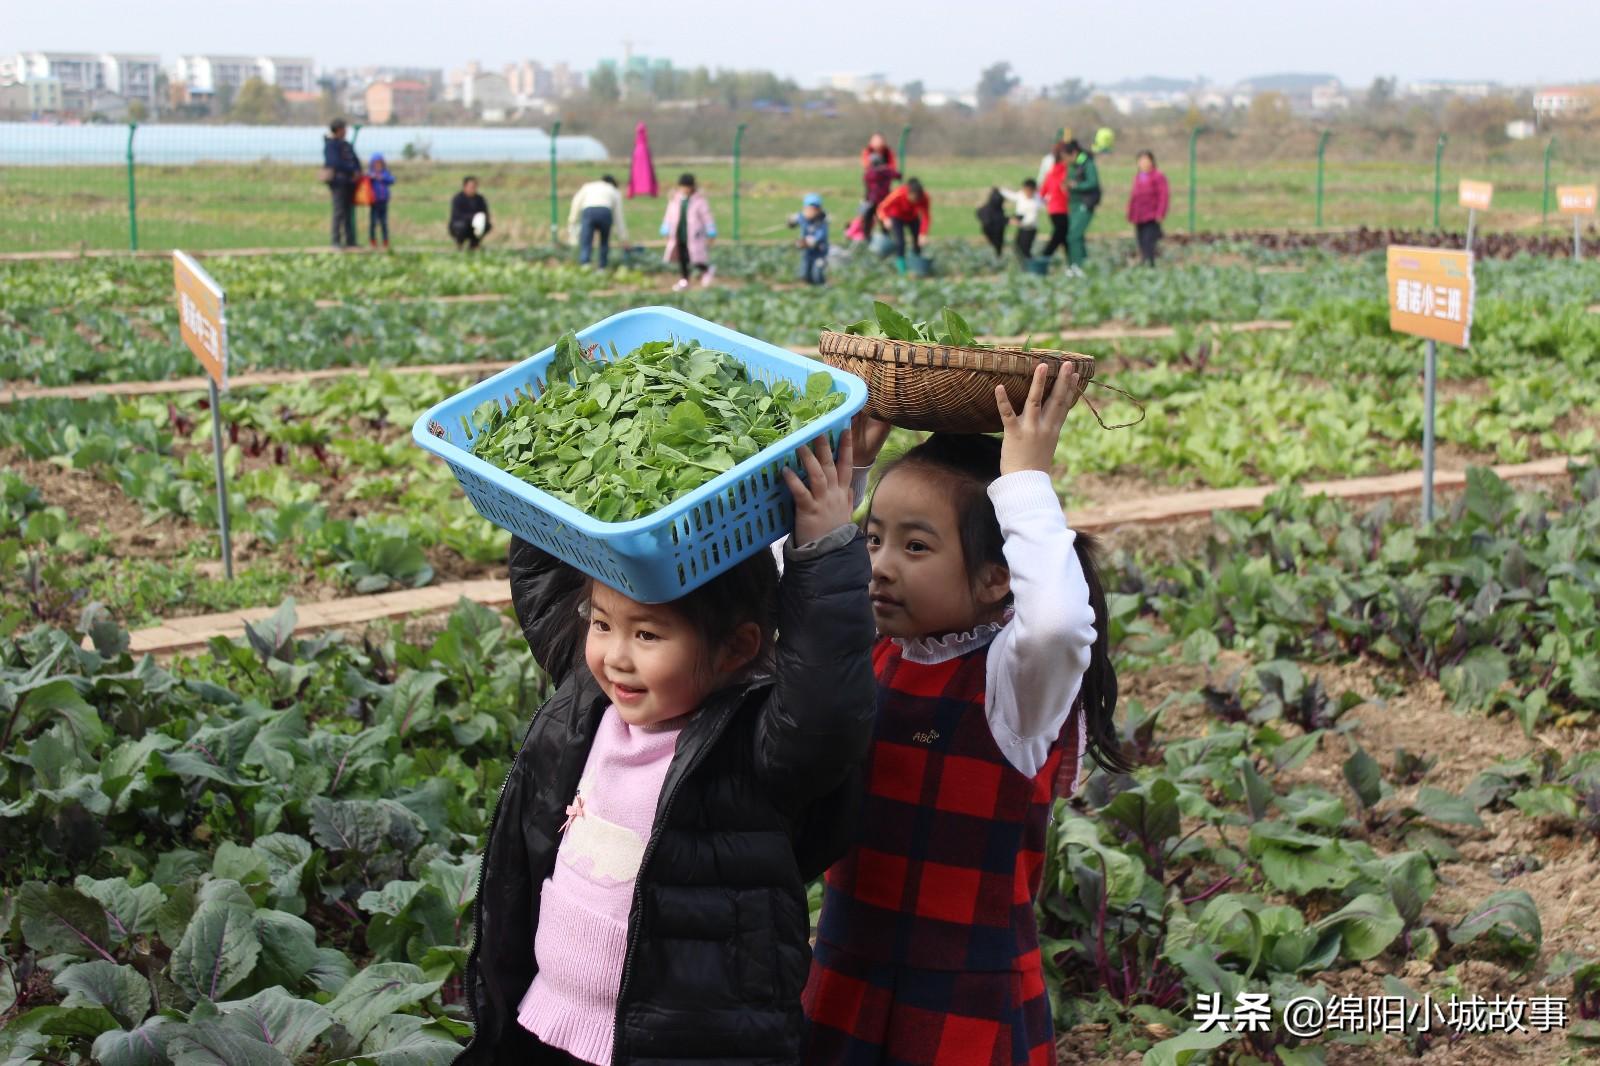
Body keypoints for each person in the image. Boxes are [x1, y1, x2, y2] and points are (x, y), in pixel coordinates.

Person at [457, 434, 877, 1066]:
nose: (615, 655)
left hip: (685, 1048)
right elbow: (547, 573)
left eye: (648, 634)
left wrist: (820, 552)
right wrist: (579, 459)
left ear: (736, 649)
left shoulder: (753, 747)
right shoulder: (588, 702)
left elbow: (828, 702)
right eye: (602, 624)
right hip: (548, 1023)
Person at [802, 367, 1135, 1065]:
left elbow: (1056, 625)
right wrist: (850, 468)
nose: (881, 567)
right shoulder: (868, 649)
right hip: (845, 963)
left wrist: (1025, 483)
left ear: (995, 579)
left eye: (916, 546)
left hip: (962, 993)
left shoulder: (1012, 689)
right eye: (873, 539)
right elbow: (793, 588)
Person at [660, 172, 717, 290]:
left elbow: (707, 217)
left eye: (687, 187)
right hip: (678, 233)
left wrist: (711, 231)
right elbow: (669, 215)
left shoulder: (699, 201)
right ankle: (684, 280)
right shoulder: (675, 199)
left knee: (695, 258)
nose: (685, 189)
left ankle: (706, 270)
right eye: (683, 186)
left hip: (693, 235)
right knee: (682, 258)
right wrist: (665, 228)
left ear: (692, 187)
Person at [567, 174, 629, 268]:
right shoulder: (614, 190)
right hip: (605, 212)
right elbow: (618, 216)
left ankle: (585, 264)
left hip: (589, 211)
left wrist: (572, 219)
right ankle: (602, 267)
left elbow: (576, 202)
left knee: (586, 240)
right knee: (604, 241)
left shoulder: (588, 186)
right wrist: (623, 237)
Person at [876, 177, 930, 275]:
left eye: (917, 200)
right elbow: (881, 207)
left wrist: (923, 233)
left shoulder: (924, 197)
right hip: (897, 216)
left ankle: (916, 265)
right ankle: (901, 269)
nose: (915, 201)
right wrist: (885, 219)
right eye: (913, 198)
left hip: (912, 217)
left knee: (917, 241)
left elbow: (926, 216)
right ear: (909, 193)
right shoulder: (899, 193)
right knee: (901, 242)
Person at [321, 118, 361, 249]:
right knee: (339, 211)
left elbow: (355, 160)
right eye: (344, 129)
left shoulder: (346, 145)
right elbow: (334, 162)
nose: (346, 131)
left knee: (349, 211)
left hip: (350, 182)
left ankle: (350, 240)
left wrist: (357, 171)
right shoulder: (331, 145)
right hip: (338, 182)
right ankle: (336, 241)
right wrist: (350, 169)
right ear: (338, 130)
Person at [1065, 138, 1102, 274]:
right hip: (1073, 205)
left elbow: (1093, 182)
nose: (1066, 160)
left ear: (1074, 153)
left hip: (1085, 204)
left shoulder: (1086, 163)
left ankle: (1078, 266)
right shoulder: (1074, 164)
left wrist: (1077, 186)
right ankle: (1081, 265)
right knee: (1075, 236)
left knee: (1074, 235)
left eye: (1067, 157)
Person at [1127, 150, 1170, 267]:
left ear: (1152, 162)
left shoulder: (1158, 176)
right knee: (1140, 241)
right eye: (1140, 161)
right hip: (1139, 215)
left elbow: (1163, 195)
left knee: (1149, 242)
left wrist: (1160, 213)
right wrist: (1131, 213)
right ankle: (1144, 263)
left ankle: (1150, 265)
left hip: (1151, 215)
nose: (1143, 163)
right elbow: (1134, 196)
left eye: (1146, 160)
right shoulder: (1138, 177)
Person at [859, 143, 901, 242]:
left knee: (869, 219)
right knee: (879, 219)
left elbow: (867, 183)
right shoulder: (886, 171)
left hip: (875, 200)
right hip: (882, 200)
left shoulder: (870, 173)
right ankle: (881, 237)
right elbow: (898, 176)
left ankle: (869, 238)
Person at [1038, 142, 1071, 265]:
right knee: (1059, 236)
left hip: (1052, 210)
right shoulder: (1066, 172)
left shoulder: (1050, 174)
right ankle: (1045, 257)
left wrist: (1047, 201)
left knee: (1063, 236)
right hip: (1063, 209)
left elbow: (1042, 192)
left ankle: (1071, 262)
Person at [788, 192, 830, 285]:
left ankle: (821, 286)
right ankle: (808, 285)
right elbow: (793, 222)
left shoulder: (822, 221)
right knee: (805, 272)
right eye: (808, 209)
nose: (810, 211)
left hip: (820, 253)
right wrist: (791, 221)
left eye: (814, 209)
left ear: (819, 209)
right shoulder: (802, 217)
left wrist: (808, 242)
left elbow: (821, 236)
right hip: (808, 252)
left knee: (817, 274)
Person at [1000, 178, 1042, 261]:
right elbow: (1012, 195)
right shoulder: (1021, 195)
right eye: (1025, 190)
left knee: (1025, 250)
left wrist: (1018, 222)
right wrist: (1001, 190)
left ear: (1033, 190)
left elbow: (1032, 219)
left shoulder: (1036, 201)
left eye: (1029, 190)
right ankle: (1022, 266)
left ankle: (1029, 267)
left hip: (1030, 229)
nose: (1026, 192)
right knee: (1017, 248)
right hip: (1022, 228)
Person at [449, 176, 492, 251]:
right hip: (461, 225)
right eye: (471, 186)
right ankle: (459, 245)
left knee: (486, 225)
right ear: (465, 186)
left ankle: (474, 245)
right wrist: (472, 217)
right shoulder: (458, 199)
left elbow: (485, 212)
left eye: (475, 186)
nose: (473, 189)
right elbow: (456, 215)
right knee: (461, 226)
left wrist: (481, 218)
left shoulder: (480, 199)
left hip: (475, 226)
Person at [366, 153, 395, 251]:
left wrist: (382, 177)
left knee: (384, 223)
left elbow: (392, 180)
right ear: (372, 164)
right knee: (373, 223)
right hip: (374, 202)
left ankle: (385, 242)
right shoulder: (371, 174)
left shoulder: (385, 173)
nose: (378, 165)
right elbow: (365, 180)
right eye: (376, 163)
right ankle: (372, 241)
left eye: (380, 163)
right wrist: (371, 177)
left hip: (383, 201)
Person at [975, 188, 1009, 257]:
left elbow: (980, 214)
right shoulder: (998, 203)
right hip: (996, 229)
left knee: (996, 246)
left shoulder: (988, 207)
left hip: (990, 229)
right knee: (998, 246)